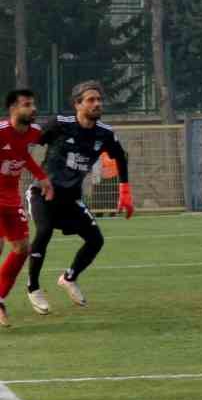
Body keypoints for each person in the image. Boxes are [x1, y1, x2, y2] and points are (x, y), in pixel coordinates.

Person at [25, 81, 134, 314]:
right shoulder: (60, 125)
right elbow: (27, 142)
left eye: (99, 100)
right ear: (77, 104)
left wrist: (125, 191)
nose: (97, 104)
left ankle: (68, 277)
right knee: (43, 233)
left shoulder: (105, 133)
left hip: (71, 198)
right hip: (43, 193)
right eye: (91, 100)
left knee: (96, 240)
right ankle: (33, 287)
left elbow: (120, 157)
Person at [0, 90, 52, 326]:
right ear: (13, 109)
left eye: (34, 104)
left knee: (22, 248)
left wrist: (42, 176)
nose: (33, 109)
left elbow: (23, 155)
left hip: (11, 197)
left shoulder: (34, 132)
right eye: (27, 105)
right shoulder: (1, 132)